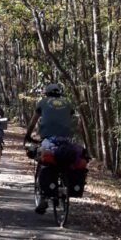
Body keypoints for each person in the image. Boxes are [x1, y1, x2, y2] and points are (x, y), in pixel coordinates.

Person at [24, 82, 84, 212]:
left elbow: (34, 121)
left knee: (43, 161)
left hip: (48, 139)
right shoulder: (67, 103)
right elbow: (73, 120)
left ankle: (44, 199)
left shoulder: (42, 102)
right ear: (59, 93)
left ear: (46, 93)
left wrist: (27, 135)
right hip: (67, 140)